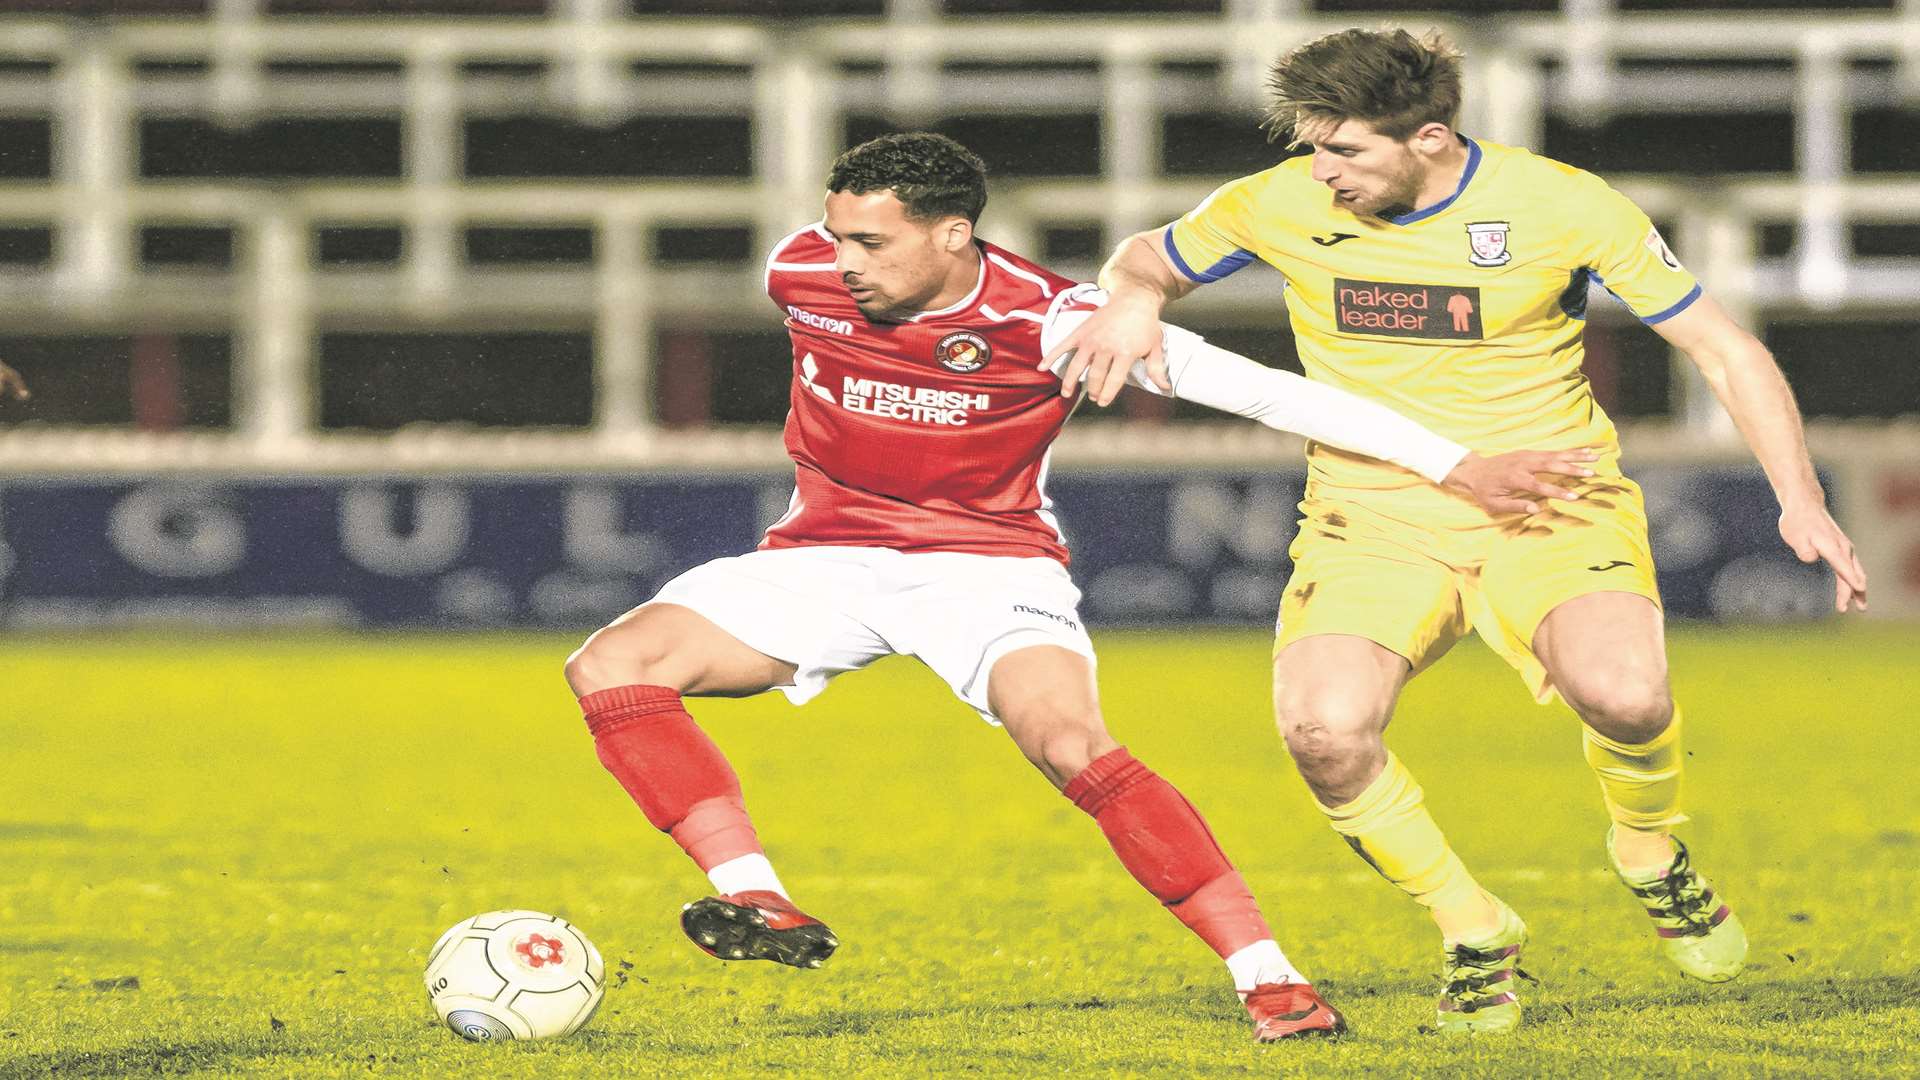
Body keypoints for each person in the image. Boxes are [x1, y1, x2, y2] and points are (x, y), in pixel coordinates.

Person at [565, 131, 1594, 1043]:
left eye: (871, 243)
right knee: (612, 665)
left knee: (1070, 744)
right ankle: (760, 901)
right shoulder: (799, 272)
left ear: (955, 234)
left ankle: (1268, 976)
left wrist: (1457, 465)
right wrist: (836, 260)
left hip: (986, 568)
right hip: (822, 556)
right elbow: (822, 271)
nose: (843, 262)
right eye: (837, 237)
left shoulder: (1053, 323)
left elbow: (1265, 391)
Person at [1049, 28, 1870, 1034]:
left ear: (1429, 137)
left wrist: (1800, 496)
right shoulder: (1282, 201)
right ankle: (1473, 926)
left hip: (1551, 506)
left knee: (1625, 694)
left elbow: (1722, 347)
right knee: (1324, 734)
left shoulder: (1560, 205)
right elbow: (1146, 258)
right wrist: (1132, 300)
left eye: (1344, 151)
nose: (1322, 172)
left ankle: (1650, 850)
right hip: (1373, 516)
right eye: (1313, 148)